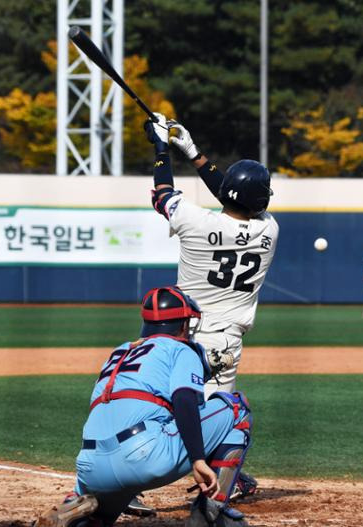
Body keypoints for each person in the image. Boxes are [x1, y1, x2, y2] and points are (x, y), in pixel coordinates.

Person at [136, 113, 279, 508]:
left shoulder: (194, 221)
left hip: (179, 333)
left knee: (159, 404)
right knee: (221, 417)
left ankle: (126, 486)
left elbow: (163, 193)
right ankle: (219, 492)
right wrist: (194, 153)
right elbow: (233, 197)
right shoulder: (269, 230)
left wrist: (162, 148)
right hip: (226, 342)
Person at [39, 286, 253, 527]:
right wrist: (198, 459)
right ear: (183, 324)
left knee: (97, 521)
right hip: (144, 456)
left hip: (90, 466)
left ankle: (77, 506)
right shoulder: (181, 349)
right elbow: (185, 402)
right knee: (237, 409)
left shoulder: (120, 351)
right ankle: (210, 513)